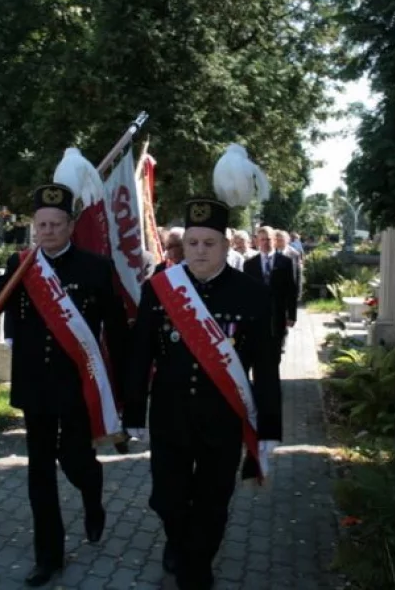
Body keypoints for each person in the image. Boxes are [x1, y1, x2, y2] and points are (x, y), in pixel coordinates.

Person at [0, 183, 129, 587]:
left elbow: (118, 331)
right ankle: (48, 556)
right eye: (41, 225)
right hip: (35, 385)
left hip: (78, 385)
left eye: (55, 224)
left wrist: (125, 392)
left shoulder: (96, 267)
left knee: (76, 461)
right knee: (39, 474)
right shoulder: (23, 264)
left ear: (70, 226)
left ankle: (92, 497)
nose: (47, 231)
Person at [125, 196, 282, 590]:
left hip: (223, 417)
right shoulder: (160, 289)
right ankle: (181, 544)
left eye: (209, 243)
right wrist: (133, 411)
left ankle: (196, 568)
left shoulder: (252, 294)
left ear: (226, 246)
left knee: (213, 502)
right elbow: (140, 353)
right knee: (168, 499)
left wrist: (269, 427)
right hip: (170, 415)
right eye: (192, 243)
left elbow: (266, 367)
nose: (199, 251)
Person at [243, 226, 298, 362]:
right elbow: (246, 292)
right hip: (257, 315)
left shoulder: (285, 262)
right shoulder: (250, 264)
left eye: (268, 239)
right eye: (262, 240)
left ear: (274, 240)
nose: (265, 243)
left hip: (278, 314)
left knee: (275, 352)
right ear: (257, 241)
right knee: (259, 352)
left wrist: (291, 315)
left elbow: (291, 289)